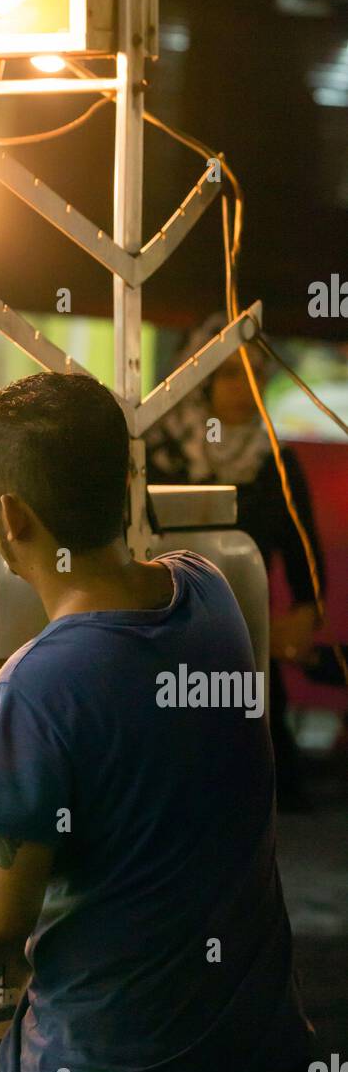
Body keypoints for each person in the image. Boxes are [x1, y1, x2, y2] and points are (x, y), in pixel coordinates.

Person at [0, 372, 311, 1072]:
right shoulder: (205, 593)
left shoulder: (40, 690)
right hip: (259, 1062)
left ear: (9, 516)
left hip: (109, 1066)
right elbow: (106, 671)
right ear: (126, 485)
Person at [146, 316, 325, 810]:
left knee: (257, 784)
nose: (244, 388)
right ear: (200, 381)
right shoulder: (161, 457)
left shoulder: (275, 461)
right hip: (165, 629)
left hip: (248, 634)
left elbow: (302, 546)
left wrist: (308, 610)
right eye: (228, 374)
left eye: (255, 373)